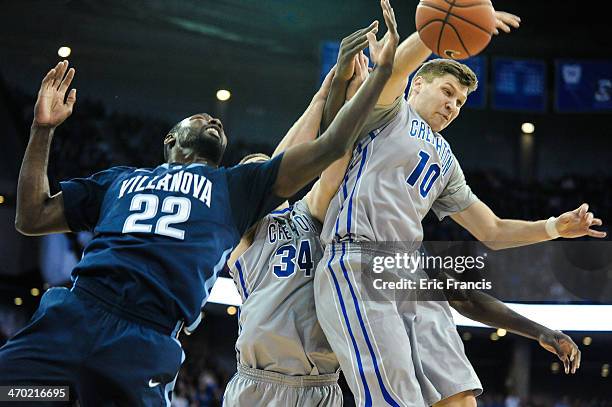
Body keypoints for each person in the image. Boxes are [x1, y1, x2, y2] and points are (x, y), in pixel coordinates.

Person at [0, 17, 396, 404]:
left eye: (218, 122)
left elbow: (330, 146)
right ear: (170, 138)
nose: (213, 119)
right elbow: (31, 217)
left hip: (144, 342)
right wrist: (41, 130)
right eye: (201, 117)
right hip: (76, 312)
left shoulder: (234, 188)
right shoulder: (118, 179)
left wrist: (377, 77)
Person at [313, 7, 604, 407]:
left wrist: (553, 227)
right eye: (447, 92)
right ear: (416, 87)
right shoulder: (385, 112)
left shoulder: (446, 159)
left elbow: (493, 231)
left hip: (410, 269)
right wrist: (440, 28)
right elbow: (396, 68)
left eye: (461, 101)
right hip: (358, 261)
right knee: (397, 400)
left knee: (459, 397)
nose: (453, 105)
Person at [222, 29, 378, 407]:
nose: (263, 172)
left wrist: (348, 99)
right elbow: (277, 168)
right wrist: (323, 98)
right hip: (258, 383)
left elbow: (331, 165)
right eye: (252, 173)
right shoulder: (243, 230)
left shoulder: (309, 214)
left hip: (320, 385)